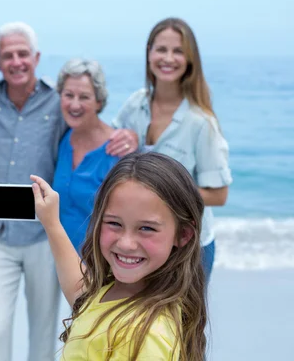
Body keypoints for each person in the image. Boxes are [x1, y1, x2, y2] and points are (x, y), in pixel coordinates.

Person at [31, 152, 208, 361]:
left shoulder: (146, 336)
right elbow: (83, 295)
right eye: (114, 223)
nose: (126, 243)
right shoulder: (116, 292)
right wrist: (52, 223)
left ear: (183, 234)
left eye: (146, 228)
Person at [0, 22, 65, 361]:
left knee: (44, 330)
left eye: (23, 54)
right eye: (7, 56)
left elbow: (90, 126)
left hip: (42, 238)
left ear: (36, 57)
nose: (16, 62)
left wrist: (126, 138)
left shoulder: (59, 101)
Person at [109, 17, 233, 280]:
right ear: (149, 54)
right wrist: (122, 138)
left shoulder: (201, 123)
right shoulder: (135, 105)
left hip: (188, 248)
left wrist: (161, 193)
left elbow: (219, 195)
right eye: (161, 49)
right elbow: (108, 152)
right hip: (140, 243)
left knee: (180, 322)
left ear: (190, 60)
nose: (168, 58)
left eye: (178, 51)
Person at [52, 58, 121, 253]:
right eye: (68, 95)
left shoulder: (118, 151)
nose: (75, 104)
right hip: (64, 262)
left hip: (103, 265)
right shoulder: (63, 140)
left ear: (99, 102)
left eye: (84, 97)